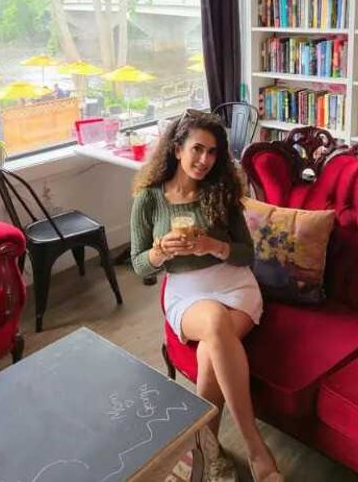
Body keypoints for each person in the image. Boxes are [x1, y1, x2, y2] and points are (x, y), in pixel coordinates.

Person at [129, 110, 281, 482]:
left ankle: (207, 450)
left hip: (234, 285)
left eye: (213, 152)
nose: (204, 160)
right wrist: (161, 252)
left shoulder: (221, 192)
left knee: (211, 348)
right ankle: (255, 446)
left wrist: (214, 244)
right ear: (177, 148)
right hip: (186, 293)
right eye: (197, 149)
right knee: (213, 321)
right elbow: (138, 265)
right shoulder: (149, 199)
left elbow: (247, 254)